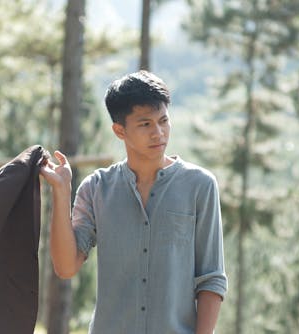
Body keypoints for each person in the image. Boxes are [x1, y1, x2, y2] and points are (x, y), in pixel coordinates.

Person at [40, 70, 228, 334]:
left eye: (163, 120)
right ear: (119, 130)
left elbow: (211, 279)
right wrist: (61, 192)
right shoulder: (96, 189)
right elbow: (66, 266)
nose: (158, 133)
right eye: (145, 124)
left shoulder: (200, 186)